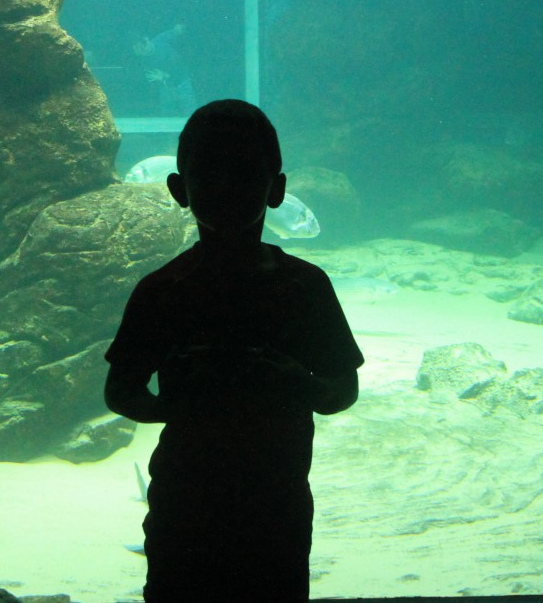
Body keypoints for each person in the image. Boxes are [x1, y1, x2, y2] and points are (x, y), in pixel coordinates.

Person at [105, 99, 363, 603]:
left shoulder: (170, 288)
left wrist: (289, 381)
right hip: (192, 501)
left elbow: (342, 390)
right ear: (181, 190)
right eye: (210, 175)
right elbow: (120, 391)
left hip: (273, 504)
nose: (226, 189)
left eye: (243, 174)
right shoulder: (165, 291)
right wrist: (289, 382)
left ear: (276, 189)